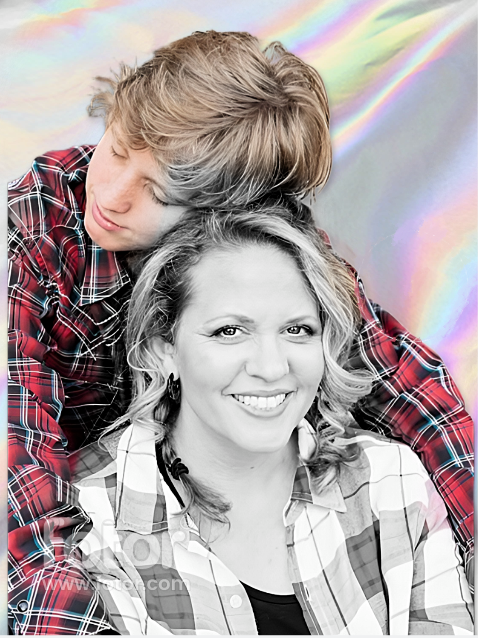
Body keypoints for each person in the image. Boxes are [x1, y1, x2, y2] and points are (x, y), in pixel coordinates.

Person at [8, 30, 473, 635]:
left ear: (230, 214)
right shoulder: (31, 233)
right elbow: (16, 451)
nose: (113, 197)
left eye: (160, 193)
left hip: (226, 505)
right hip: (85, 520)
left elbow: (407, 392)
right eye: (116, 150)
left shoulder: (264, 249)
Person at [70, 204, 473, 635]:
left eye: (297, 330)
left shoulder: (390, 484)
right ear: (161, 350)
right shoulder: (86, 518)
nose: (271, 367)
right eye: (229, 331)